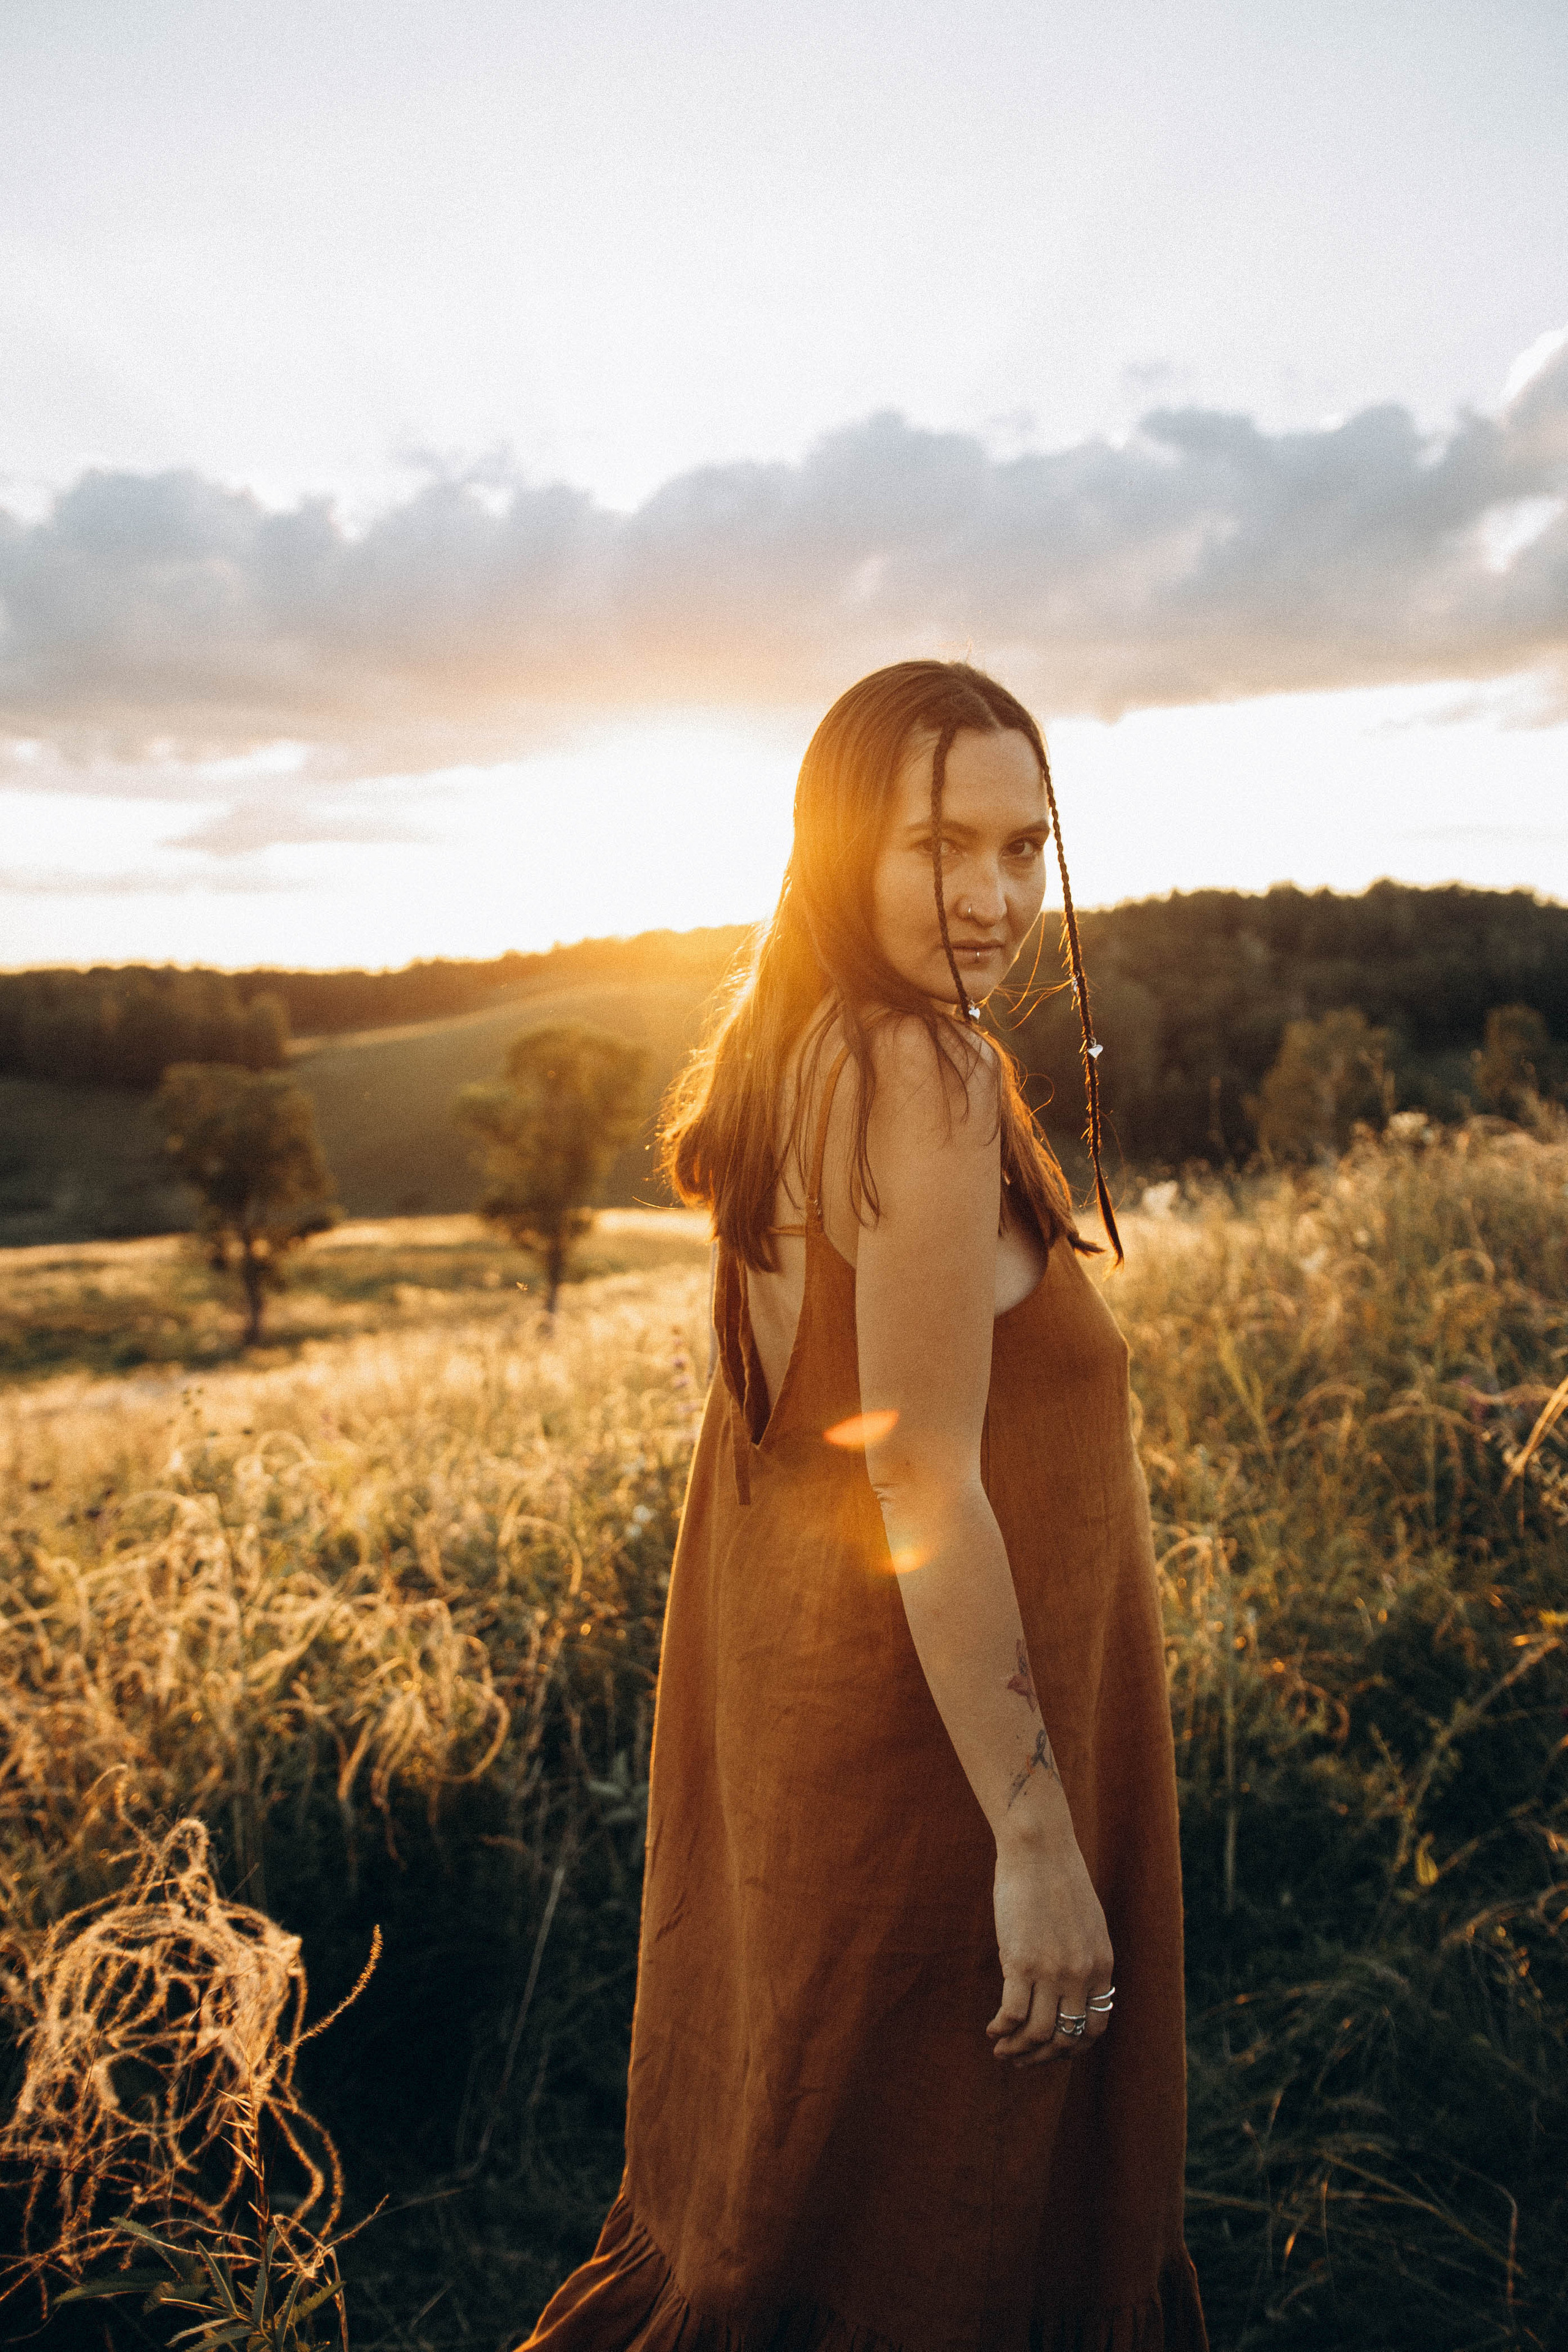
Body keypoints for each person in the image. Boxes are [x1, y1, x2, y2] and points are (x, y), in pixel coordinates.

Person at [520, 661, 1207, 2351]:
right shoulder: (918, 1071)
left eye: (1022, 847)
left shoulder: (795, 1049)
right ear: (842, 849)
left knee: (792, 2224)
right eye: (936, 847)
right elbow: (913, 1465)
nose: (988, 898)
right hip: (946, 1785)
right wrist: (1037, 1841)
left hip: (828, 1742)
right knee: (941, 2246)